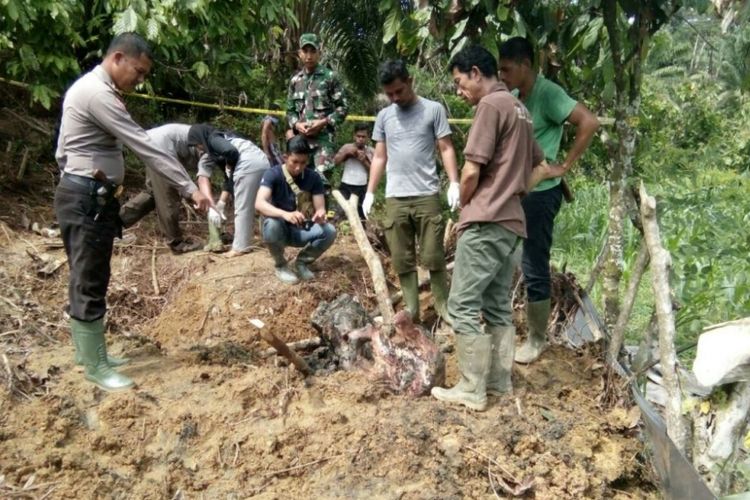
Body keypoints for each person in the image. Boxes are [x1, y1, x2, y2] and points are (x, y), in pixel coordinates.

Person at [54, 33, 210, 392]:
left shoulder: (94, 90)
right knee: (89, 278)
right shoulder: (97, 94)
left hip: (89, 195)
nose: (140, 80)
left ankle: (92, 356)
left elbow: (63, 150)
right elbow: (145, 146)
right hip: (86, 198)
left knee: (90, 274)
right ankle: (95, 366)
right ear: (118, 58)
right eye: (138, 72)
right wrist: (190, 188)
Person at [430, 45, 546, 411]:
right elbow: (540, 164)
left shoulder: (491, 106)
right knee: (497, 305)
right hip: (512, 222)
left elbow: (470, 170)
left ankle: (471, 388)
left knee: (462, 304)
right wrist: (517, 189)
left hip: (486, 220)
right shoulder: (521, 110)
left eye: (460, 82)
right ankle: (498, 381)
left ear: (477, 73)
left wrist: (465, 202)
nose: (459, 90)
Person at [498, 37, 600, 364]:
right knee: (504, 254)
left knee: (533, 262)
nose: (502, 75)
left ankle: (537, 339)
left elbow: (589, 121)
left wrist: (564, 166)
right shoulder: (514, 96)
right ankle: (509, 327)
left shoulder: (548, 93)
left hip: (541, 194)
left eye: (507, 69)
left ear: (525, 65)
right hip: (517, 190)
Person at [363, 59, 460, 325]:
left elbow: (446, 147)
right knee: (402, 258)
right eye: (389, 94)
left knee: (433, 255)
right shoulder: (384, 117)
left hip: (426, 194)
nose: (394, 98)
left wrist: (454, 182)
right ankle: (412, 310)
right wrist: (370, 192)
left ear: (410, 82)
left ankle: (442, 306)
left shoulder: (433, 110)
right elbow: (380, 157)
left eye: (399, 91)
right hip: (396, 197)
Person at [255, 135, 337, 285]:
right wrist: (285, 214)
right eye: (294, 162)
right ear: (286, 157)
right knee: (272, 224)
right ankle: (281, 265)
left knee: (329, 231)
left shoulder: (314, 178)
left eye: (303, 162)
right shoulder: (273, 174)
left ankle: (302, 262)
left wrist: (320, 214)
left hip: (302, 230)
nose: (299, 167)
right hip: (280, 230)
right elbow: (259, 203)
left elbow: (320, 208)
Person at [187, 124, 270, 258]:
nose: (199, 149)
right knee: (263, 203)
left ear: (201, 138)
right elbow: (229, 180)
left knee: (243, 208)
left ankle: (240, 247)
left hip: (248, 164)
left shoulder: (213, 139)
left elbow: (231, 152)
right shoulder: (228, 138)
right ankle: (271, 239)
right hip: (262, 162)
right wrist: (221, 203)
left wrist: (229, 164)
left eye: (197, 145)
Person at [119, 123, 203, 253]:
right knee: (169, 195)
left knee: (153, 194)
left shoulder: (212, 141)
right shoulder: (212, 147)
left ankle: (113, 223)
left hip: (153, 142)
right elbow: (202, 178)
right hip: (160, 147)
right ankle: (176, 243)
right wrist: (199, 197)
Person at [286, 33, 348, 186]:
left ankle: (322, 210)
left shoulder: (330, 77)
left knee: (321, 184)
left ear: (319, 52)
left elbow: (343, 107)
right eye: (305, 51)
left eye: (312, 51)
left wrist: (323, 122)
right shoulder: (295, 81)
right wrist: (296, 125)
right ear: (300, 53)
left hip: (323, 142)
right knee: (300, 184)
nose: (309, 56)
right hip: (301, 143)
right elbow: (290, 110)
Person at [333, 123, 373, 220]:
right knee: (341, 214)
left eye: (363, 136)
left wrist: (363, 160)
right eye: (358, 136)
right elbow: (334, 162)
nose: (360, 139)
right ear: (354, 136)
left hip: (362, 187)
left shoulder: (371, 151)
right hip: (346, 185)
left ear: (368, 137)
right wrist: (346, 154)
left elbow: (373, 171)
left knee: (362, 215)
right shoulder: (347, 147)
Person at [260, 104, 285, 168]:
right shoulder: (268, 121)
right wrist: (266, 151)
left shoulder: (272, 121)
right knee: (281, 165)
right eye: (277, 111)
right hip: (271, 146)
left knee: (278, 164)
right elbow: (264, 135)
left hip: (274, 146)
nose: (278, 113)